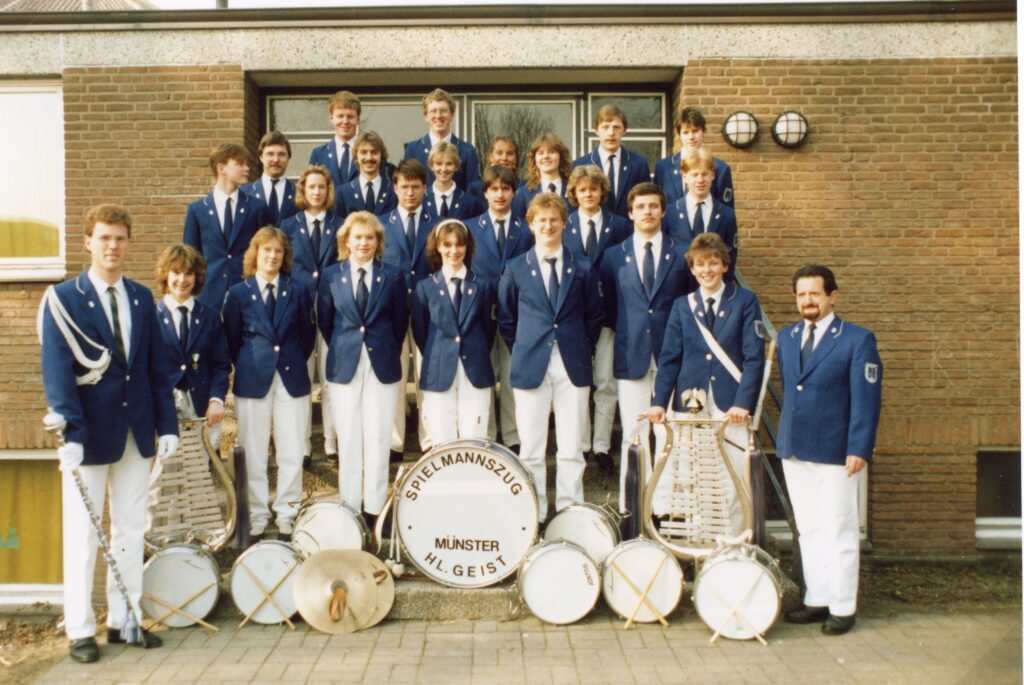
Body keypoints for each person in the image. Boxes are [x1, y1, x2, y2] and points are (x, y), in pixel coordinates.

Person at [40, 204, 178, 662]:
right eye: (104, 238)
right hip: (87, 435)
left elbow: (156, 368)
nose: (112, 246)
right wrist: (71, 433)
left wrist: (167, 425)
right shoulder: (63, 298)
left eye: (119, 238)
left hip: (136, 430)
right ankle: (80, 630)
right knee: (83, 535)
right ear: (88, 242)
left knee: (131, 529)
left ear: (128, 242)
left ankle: (124, 620)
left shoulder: (140, 297)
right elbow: (57, 371)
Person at [778, 264, 882, 636]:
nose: (807, 300)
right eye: (801, 294)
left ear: (832, 297)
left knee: (839, 530)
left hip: (836, 451)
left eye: (815, 294)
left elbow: (866, 400)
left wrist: (859, 447)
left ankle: (842, 606)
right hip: (795, 449)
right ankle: (818, 598)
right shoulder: (787, 336)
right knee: (809, 530)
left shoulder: (857, 339)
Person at [648, 232, 765, 531]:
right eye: (700, 264)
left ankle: (732, 543)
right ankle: (698, 539)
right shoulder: (682, 305)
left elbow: (754, 358)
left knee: (732, 475)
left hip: (731, 404)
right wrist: (659, 402)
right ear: (692, 269)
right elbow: (669, 358)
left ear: (725, 266)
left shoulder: (744, 301)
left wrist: (743, 402)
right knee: (693, 474)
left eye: (713, 263)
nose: (707, 270)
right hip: (690, 403)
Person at [498, 193, 603, 523]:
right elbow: (506, 318)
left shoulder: (582, 267)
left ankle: (570, 511)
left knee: (571, 445)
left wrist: (578, 345)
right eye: (541, 220)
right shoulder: (516, 268)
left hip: (573, 362)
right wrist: (525, 346)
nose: (548, 225)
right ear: (531, 225)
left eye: (554, 219)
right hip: (531, 363)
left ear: (564, 223)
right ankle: (536, 511)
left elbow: (594, 316)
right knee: (531, 446)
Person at [600, 183, 692, 512]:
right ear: (630, 213)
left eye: (653, 206)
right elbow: (610, 305)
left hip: (673, 354)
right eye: (640, 207)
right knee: (634, 431)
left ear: (663, 211)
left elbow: (690, 303)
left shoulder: (682, 253)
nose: (647, 212)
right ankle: (634, 504)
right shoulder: (614, 256)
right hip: (632, 352)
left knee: (670, 431)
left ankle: (667, 506)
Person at [222, 227, 316, 543]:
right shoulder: (238, 293)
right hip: (253, 379)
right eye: (266, 250)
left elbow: (307, 336)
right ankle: (258, 516)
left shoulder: (298, 290)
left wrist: (288, 358)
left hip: (291, 377)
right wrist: (254, 362)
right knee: (254, 451)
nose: (272, 256)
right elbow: (232, 338)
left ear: (284, 256)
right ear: (255, 254)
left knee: (292, 448)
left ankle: (287, 513)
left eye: (278, 251)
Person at [317, 212, 408, 529]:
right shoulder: (331, 275)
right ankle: (350, 506)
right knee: (349, 436)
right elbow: (326, 321)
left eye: (370, 237)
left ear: (378, 242)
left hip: (381, 362)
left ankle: (375, 509)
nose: (364, 243)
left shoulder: (392, 276)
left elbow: (400, 322)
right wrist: (348, 346)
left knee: (379, 437)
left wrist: (381, 346)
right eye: (358, 237)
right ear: (347, 240)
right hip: (345, 363)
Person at [563, 165, 630, 471]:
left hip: (608, 312)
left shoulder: (620, 226)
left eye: (593, 189)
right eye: (582, 190)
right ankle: (581, 442)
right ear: (573, 193)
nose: (588, 194)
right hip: (574, 315)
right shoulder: (564, 224)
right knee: (578, 384)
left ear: (602, 191)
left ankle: (601, 445)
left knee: (605, 381)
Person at [411, 219, 496, 445]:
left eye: (460, 244)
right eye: (447, 245)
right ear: (438, 247)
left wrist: (472, 348)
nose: (454, 251)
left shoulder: (482, 286)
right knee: (442, 435)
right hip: (438, 367)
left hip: (475, 367)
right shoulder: (425, 287)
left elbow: (488, 329)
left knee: (474, 434)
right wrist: (442, 351)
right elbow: (421, 331)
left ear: (468, 247)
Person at [466, 164, 533, 448]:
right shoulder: (470, 228)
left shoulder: (526, 229)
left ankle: (513, 434)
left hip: (515, 312)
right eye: (494, 189)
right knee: (483, 375)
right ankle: (486, 434)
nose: (500, 194)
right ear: (485, 193)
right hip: (480, 311)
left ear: (514, 192)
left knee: (511, 374)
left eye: (506, 189)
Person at [281, 165, 344, 467]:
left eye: (322, 187)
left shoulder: (340, 224)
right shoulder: (287, 226)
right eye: (311, 187)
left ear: (328, 191)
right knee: (302, 376)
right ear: (302, 191)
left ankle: (332, 442)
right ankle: (303, 444)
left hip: (333, 308)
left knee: (331, 378)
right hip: (299, 309)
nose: (316, 192)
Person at [381, 159, 441, 457]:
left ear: (425, 188)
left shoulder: (438, 224)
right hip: (391, 309)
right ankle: (394, 440)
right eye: (404, 186)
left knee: (426, 373)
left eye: (415, 186)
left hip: (428, 308)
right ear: (395, 188)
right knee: (395, 373)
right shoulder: (381, 224)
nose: (409, 192)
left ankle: (429, 439)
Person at [154, 244, 230, 448]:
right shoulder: (151, 317)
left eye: (188, 273)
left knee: (202, 464)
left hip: (203, 411)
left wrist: (216, 400)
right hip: (164, 412)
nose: (182, 280)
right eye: (176, 272)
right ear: (166, 275)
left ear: (197, 277)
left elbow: (221, 365)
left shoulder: (210, 317)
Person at [183, 143, 266, 310]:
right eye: (240, 164)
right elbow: (190, 256)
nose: (247, 168)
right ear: (221, 168)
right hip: (208, 296)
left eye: (246, 164)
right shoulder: (197, 210)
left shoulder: (256, 208)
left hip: (247, 295)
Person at [663, 147, 738, 274]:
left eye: (704, 174)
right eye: (695, 174)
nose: (700, 180)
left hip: (712, 281)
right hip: (678, 282)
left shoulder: (727, 214)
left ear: (712, 175)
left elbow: (731, 255)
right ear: (685, 176)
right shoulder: (670, 212)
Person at [572, 104, 650, 219]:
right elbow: (574, 204)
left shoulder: (638, 164)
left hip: (629, 228)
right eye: (605, 127)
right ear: (596, 130)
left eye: (616, 127)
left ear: (624, 131)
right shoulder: (580, 165)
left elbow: (646, 200)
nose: (611, 133)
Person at [654, 106, 734, 208]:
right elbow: (658, 205)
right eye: (686, 132)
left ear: (702, 132)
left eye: (695, 131)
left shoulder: (720, 168)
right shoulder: (663, 167)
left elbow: (726, 211)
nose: (691, 137)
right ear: (679, 134)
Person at [403, 88, 481, 190]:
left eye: (443, 111)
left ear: (452, 115)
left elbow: (473, 191)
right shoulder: (413, 150)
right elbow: (407, 187)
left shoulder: (467, 151)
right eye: (433, 111)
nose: (438, 115)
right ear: (426, 116)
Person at [308, 90, 363, 212]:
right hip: (328, 219)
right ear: (331, 118)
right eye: (340, 116)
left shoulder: (368, 154)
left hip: (359, 220)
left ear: (358, 119)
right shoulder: (318, 154)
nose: (345, 121)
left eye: (350, 116)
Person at [242, 130, 298, 226]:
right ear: (261, 157)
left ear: (288, 158)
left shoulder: (299, 194)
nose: (276, 159)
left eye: (281, 154)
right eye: (270, 154)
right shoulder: (244, 193)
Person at [336, 131, 397, 218]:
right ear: (356, 156)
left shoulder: (394, 190)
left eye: (374, 152)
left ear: (381, 156)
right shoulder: (343, 192)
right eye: (363, 152)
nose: (369, 158)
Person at [512, 133, 571, 217]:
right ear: (534, 159)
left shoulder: (573, 190)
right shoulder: (524, 193)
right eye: (541, 153)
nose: (545, 156)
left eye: (551, 152)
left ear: (561, 157)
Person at [424, 142, 484, 220]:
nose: (444, 169)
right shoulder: (421, 200)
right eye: (439, 164)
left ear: (456, 166)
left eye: (449, 164)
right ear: (432, 166)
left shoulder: (471, 203)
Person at [467, 135, 523, 202]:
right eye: (499, 153)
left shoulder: (525, 188)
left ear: (516, 158)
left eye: (509, 153)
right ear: (491, 157)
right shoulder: (476, 189)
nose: (504, 158)